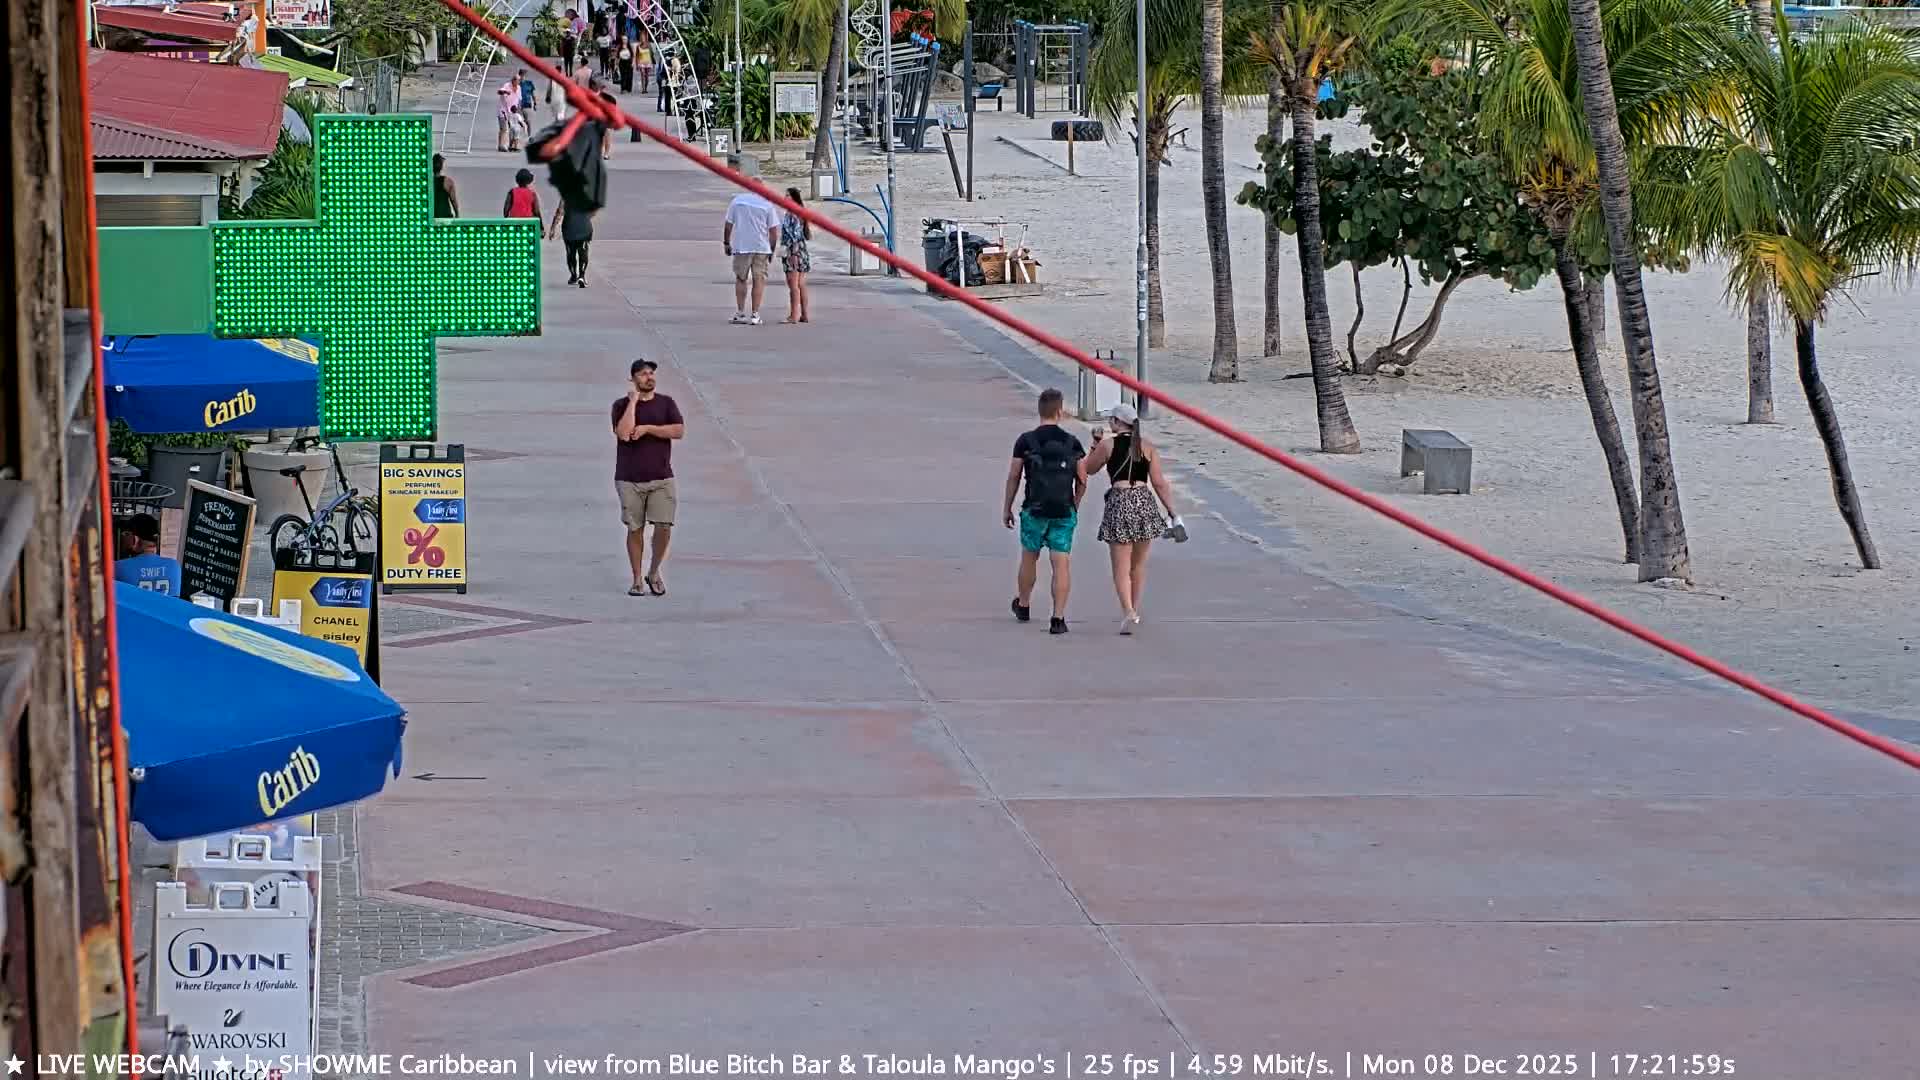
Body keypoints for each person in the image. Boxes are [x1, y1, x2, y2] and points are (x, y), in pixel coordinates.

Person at [1082, 402, 1187, 633]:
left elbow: (1088, 469)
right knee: (1138, 565)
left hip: (1120, 502)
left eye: (1112, 419)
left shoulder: (1108, 445)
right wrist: (1172, 512)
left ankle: (1128, 611)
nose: (1109, 423)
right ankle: (1134, 611)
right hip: (1143, 501)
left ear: (1118, 423)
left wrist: (1095, 445)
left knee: (1120, 567)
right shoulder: (1147, 447)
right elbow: (1159, 482)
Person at [1003, 389, 1086, 635]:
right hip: (1063, 511)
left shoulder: (1025, 441)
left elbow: (1014, 476)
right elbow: (1082, 479)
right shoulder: (1072, 443)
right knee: (1061, 563)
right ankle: (1058, 618)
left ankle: (1024, 604)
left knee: (1029, 557)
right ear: (1060, 412)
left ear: (1040, 410)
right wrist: (1075, 505)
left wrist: (1007, 506)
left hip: (1034, 510)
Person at [612, 358, 685, 597]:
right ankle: (636, 579)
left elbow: (678, 430)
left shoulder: (666, 403)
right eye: (643, 374)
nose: (649, 377)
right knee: (635, 528)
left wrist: (648, 429)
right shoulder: (621, 405)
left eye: (651, 373)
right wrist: (633, 403)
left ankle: (653, 571)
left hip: (662, 478)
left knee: (664, 526)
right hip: (629, 479)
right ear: (632, 379)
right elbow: (623, 434)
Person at [722, 190, 781, 325]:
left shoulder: (737, 201)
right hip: (761, 247)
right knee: (758, 280)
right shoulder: (767, 203)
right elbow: (773, 231)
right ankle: (755, 314)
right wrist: (771, 250)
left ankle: (741, 312)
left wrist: (726, 242)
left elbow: (728, 224)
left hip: (742, 246)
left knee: (741, 278)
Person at [113, 514, 182, 596]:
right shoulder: (174, 566)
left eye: (126, 534)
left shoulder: (118, 567)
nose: (123, 538)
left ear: (135, 539)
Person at [779, 187, 813, 324]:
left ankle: (793, 315)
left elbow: (795, 236)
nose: (785, 197)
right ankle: (804, 314)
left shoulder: (792, 215)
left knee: (793, 285)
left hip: (794, 251)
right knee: (801, 284)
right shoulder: (800, 213)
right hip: (802, 251)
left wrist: (793, 254)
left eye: (788, 195)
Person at [432, 153, 459, 218]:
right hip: (445, 216)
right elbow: (453, 200)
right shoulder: (448, 181)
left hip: (432, 216)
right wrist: (457, 214)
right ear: (442, 167)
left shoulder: (427, 181)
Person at [497, 79, 517, 151]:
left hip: (511, 112)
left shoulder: (518, 88)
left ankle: (504, 145)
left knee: (509, 129)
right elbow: (499, 91)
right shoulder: (506, 86)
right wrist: (505, 92)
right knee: (504, 129)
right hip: (502, 112)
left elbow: (518, 100)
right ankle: (502, 145)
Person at [561, 8, 581, 77]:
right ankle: (567, 72)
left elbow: (575, 32)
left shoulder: (570, 38)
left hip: (569, 51)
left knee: (570, 62)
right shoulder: (566, 38)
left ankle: (570, 72)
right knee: (567, 62)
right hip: (567, 51)